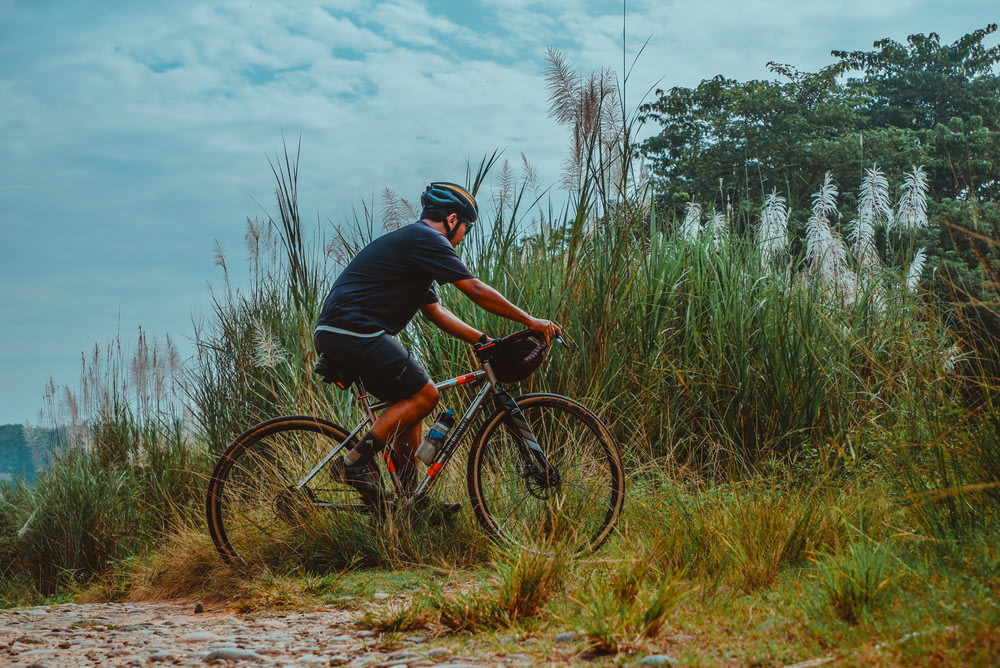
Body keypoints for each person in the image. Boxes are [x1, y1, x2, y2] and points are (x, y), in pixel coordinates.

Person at [313, 181, 561, 506]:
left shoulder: (416, 248)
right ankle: (353, 463)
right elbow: (474, 288)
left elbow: (435, 312)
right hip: (354, 329)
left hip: (343, 330)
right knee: (426, 394)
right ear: (453, 220)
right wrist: (530, 320)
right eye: (466, 231)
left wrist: (482, 340)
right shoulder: (426, 238)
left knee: (410, 408)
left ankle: (408, 502)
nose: (463, 238)